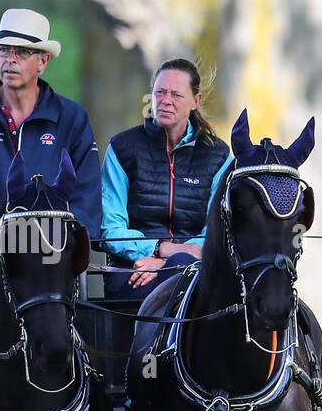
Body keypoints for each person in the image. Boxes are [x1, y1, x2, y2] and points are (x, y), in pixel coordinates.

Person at [0, 8, 102, 297]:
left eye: (22, 52)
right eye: (3, 50)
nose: (9, 60)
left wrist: (49, 239)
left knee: (56, 317)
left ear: (43, 61)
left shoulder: (73, 119)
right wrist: (4, 237)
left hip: (54, 253)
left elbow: (86, 200)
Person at [99, 58, 233, 300]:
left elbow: (217, 229)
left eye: (176, 95)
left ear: (196, 101)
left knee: (186, 266)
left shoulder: (218, 156)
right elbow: (111, 229)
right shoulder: (122, 148)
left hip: (194, 268)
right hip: (133, 267)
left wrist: (168, 263)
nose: (166, 101)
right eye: (160, 92)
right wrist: (159, 249)